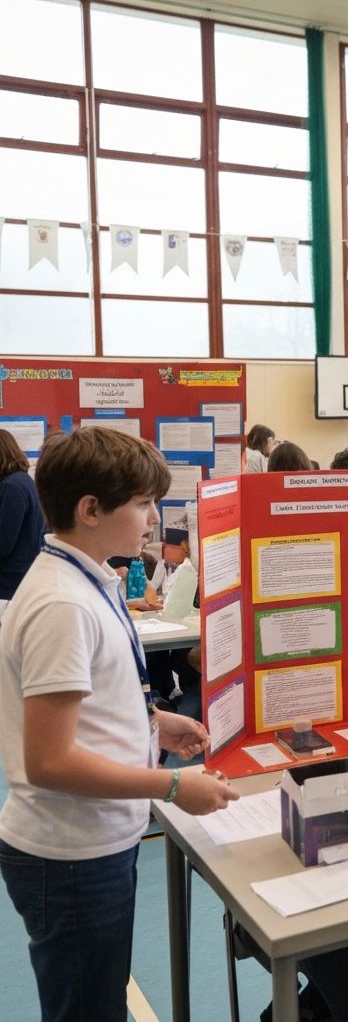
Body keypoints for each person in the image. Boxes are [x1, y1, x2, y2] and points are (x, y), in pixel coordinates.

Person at [0, 426, 237, 1022]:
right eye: (143, 503)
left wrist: (154, 722)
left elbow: (92, 699)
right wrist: (173, 785)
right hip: (72, 852)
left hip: (94, 839)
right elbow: (49, 761)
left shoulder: (87, 577)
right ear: (90, 510)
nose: (155, 519)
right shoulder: (62, 603)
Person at [0, 428, 45, 620]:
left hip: (10, 584)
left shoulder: (11, 487)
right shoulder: (22, 480)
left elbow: (4, 542)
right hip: (21, 577)